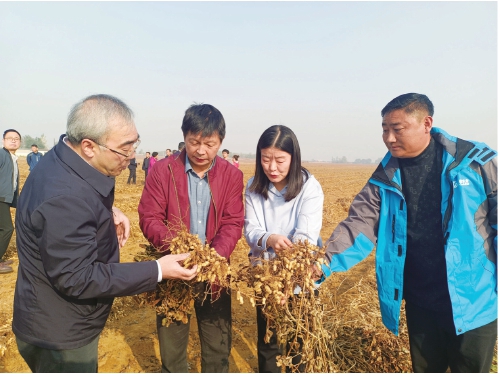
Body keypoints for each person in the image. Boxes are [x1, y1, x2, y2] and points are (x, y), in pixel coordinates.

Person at [12, 94, 198, 373]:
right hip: (60, 336)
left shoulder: (65, 158)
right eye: (124, 149)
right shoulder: (65, 197)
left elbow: (77, 196)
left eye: (134, 143)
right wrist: (157, 270)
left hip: (58, 319)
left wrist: (107, 211)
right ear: (88, 146)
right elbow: (78, 278)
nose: (131, 156)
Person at [319, 93, 497, 373]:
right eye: (384, 130)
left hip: (473, 297)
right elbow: (359, 224)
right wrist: (321, 264)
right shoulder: (385, 176)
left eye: (397, 129)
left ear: (426, 123)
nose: (389, 138)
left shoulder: (474, 161)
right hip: (421, 301)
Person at [139, 103, 244, 373]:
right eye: (194, 142)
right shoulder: (162, 171)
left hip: (214, 274)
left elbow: (233, 222)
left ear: (220, 142)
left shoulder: (232, 175)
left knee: (217, 345)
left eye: (209, 144)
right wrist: (177, 251)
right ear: (184, 136)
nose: (200, 150)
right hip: (174, 270)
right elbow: (149, 217)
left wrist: (213, 257)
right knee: (172, 350)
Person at [244, 125, 324, 372]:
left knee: (298, 344)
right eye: (266, 159)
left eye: (280, 160)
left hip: (301, 278)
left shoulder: (309, 188)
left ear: (293, 157)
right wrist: (269, 238)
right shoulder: (254, 187)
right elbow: (250, 229)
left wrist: (287, 283)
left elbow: (306, 238)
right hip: (266, 279)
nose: (272, 167)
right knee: (269, 342)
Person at [0, 129, 21, 274]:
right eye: (10, 138)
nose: (13, 140)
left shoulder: (11, 157)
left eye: (16, 138)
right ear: (3, 140)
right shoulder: (1, 155)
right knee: (7, 229)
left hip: (4, 198)